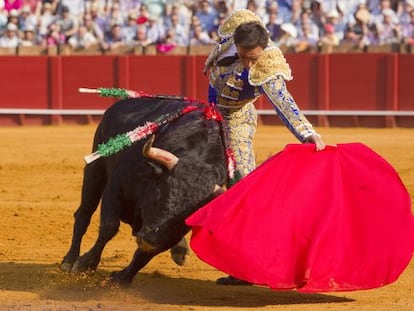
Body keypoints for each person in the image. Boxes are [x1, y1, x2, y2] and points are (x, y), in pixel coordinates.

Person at [203, 9, 326, 285]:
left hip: (236, 120)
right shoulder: (235, 28)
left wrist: (307, 133)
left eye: (253, 58)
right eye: (244, 57)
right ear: (235, 42)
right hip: (208, 116)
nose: (248, 64)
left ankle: (245, 266)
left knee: (243, 189)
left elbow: (285, 103)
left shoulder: (268, 65)